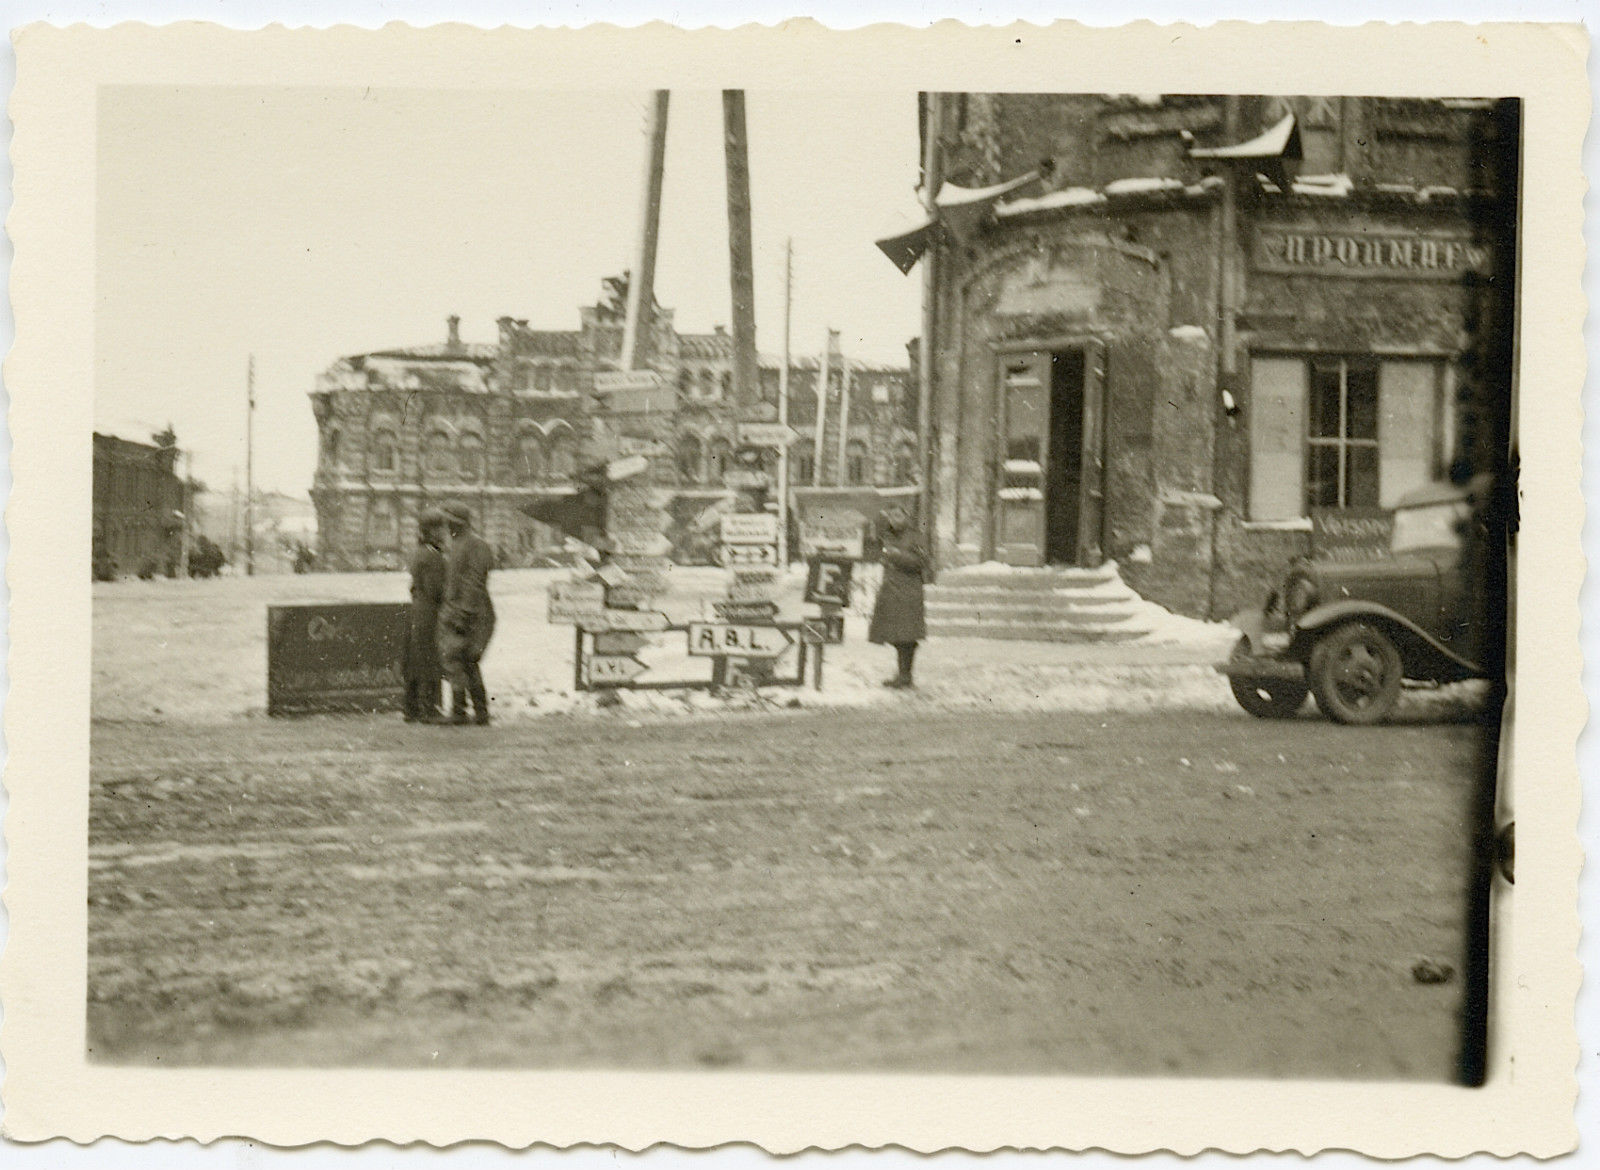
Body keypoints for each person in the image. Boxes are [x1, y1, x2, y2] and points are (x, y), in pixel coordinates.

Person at [436, 502, 497, 725]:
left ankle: (465, 711)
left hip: (472, 614)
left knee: (462, 659)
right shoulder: (459, 544)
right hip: (461, 612)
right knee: (461, 661)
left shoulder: (476, 545)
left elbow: (474, 583)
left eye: (448, 522)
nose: (445, 526)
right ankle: (474, 711)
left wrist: (463, 615)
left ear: (456, 523)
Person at [867, 505, 929, 689]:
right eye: (891, 516)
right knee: (896, 635)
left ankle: (905, 676)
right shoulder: (887, 536)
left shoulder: (915, 536)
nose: (894, 519)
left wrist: (897, 555)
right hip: (892, 591)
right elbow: (878, 554)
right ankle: (903, 675)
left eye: (898, 515)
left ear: (906, 517)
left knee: (907, 636)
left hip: (909, 592)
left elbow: (922, 562)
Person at [402, 509, 448, 723]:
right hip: (430, 612)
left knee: (415, 660)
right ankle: (429, 709)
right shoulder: (433, 556)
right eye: (440, 529)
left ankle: (410, 709)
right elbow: (436, 590)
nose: (444, 533)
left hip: (417, 610)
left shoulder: (417, 552)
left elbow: (414, 587)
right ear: (431, 531)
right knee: (430, 659)